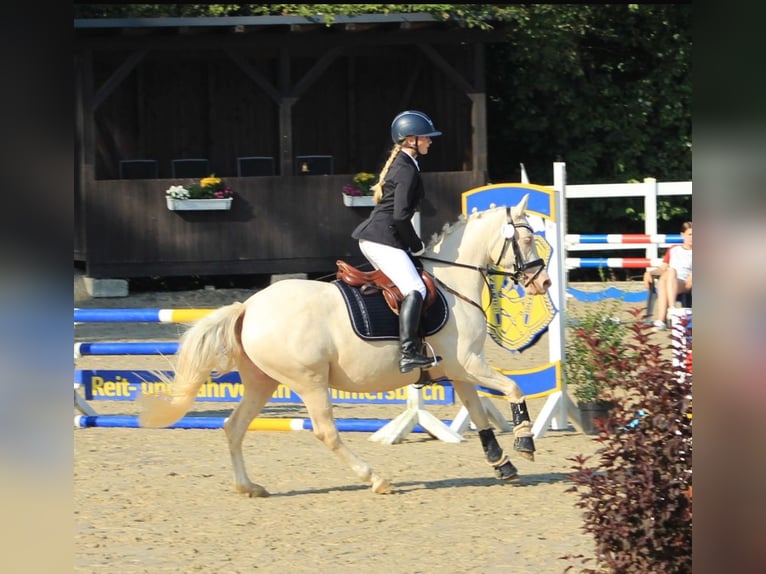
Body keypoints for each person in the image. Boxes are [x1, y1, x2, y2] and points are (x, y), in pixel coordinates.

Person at [351, 110, 442, 373]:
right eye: (426, 138)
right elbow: (402, 216)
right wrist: (416, 245)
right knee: (416, 288)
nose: (430, 142)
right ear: (411, 139)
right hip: (383, 239)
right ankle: (408, 353)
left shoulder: (406, 162)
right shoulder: (405, 168)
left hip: (381, 237)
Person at [642, 221, 693, 330]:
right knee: (668, 273)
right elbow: (662, 267)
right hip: (670, 279)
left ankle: (662, 319)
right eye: (690, 234)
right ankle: (670, 310)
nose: (692, 238)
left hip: (685, 282)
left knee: (669, 274)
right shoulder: (673, 249)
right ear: (682, 235)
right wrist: (649, 273)